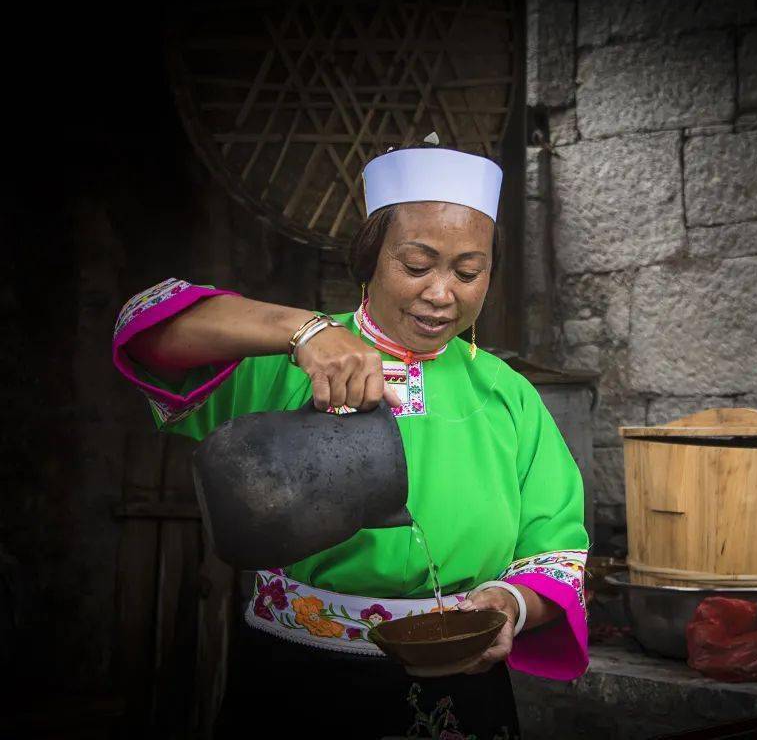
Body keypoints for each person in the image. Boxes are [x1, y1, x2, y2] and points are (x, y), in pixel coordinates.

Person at [111, 141, 589, 738]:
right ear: (370, 256)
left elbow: (556, 551)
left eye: (468, 272)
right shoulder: (287, 359)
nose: (442, 294)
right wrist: (302, 330)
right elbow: (142, 333)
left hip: (461, 685)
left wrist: (511, 605)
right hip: (298, 680)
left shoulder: (508, 394)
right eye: (416, 265)